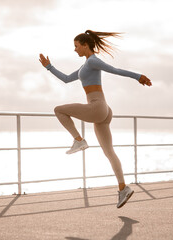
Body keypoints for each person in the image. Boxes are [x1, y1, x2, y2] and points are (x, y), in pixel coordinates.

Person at [39, 30, 152, 208]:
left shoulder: (93, 61)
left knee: (59, 110)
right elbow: (67, 79)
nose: (74, 49)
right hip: (103, 111)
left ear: (85, 45)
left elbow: (115, 70)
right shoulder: (86, 66)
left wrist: (139, 77)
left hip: (97, 106)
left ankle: (79, 140)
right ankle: (123, 188)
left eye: (76, 46)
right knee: (109, 152)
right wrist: (49, 66)